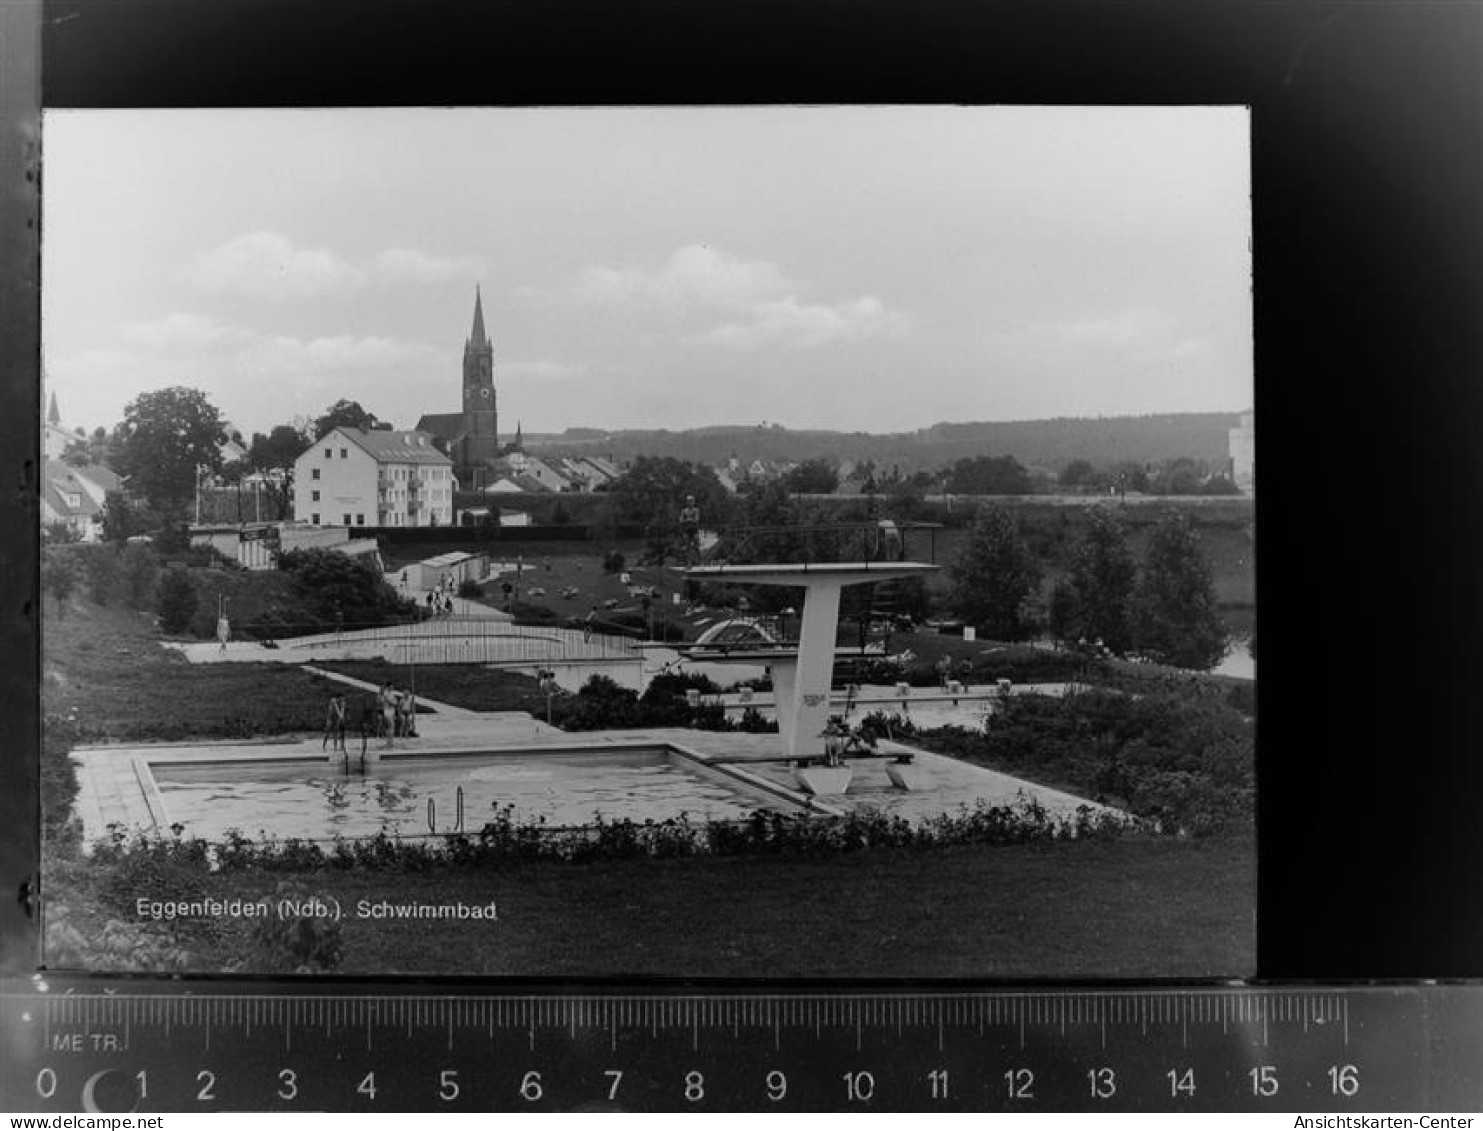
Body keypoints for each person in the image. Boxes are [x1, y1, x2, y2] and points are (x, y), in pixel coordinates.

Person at [678, 494, 701, 565]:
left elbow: (696, 520)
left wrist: (687, 520)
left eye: (691, 501)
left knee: (696, 546)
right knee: (688, 547)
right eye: (688, 501)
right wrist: (690, 520)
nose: (690, 502)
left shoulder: (696, 510)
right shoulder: (684, 511)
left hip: (694, 530)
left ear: (693, 501)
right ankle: (689, 562)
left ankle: (699, 561)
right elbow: (680, 521)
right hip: (687, 530)